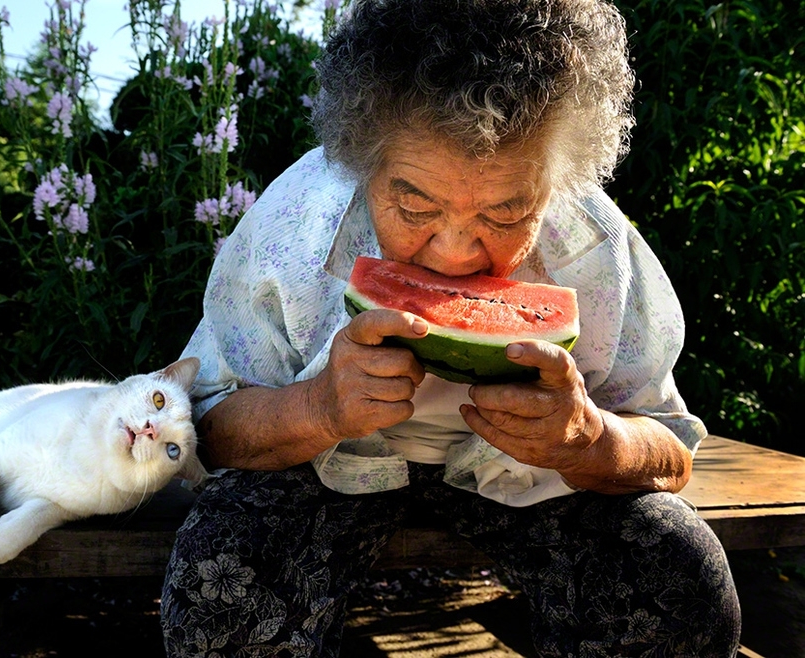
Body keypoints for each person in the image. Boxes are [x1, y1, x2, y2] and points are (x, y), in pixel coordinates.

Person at [161, 0, 742, 655]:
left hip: (534, 484)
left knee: (675, 577)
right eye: (415, 205)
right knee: (223, 582)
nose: (455, 254)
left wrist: (590, 439)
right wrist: (317, 407)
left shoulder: (596, 249)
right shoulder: (294, 231)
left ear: (557, 184)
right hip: (321, 471)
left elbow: (670, 451)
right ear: (360, 160)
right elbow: (204, 428)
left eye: (506, 212)